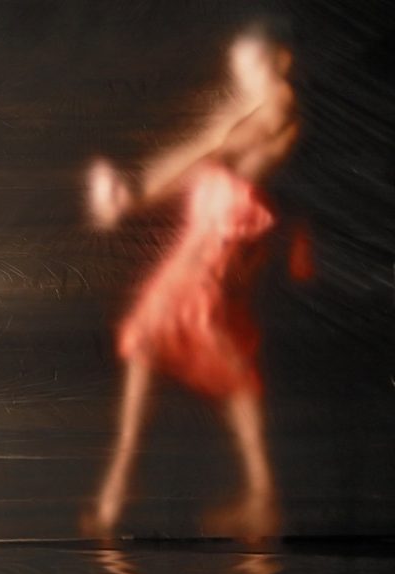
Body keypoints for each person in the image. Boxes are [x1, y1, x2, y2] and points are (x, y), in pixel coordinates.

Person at [84, 22, 306, 541]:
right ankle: (254, 495)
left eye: (255, 65)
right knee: (196, 348)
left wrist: (137, 191)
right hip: (212, 230)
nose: (246, 76)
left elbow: (214, 148)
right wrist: (137, 194)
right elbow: (203, 157)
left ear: (281, 60)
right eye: (240, 67)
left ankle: (122, 488)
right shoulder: (255, 108)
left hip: (222, 234)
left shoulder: (277, 103)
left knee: (169, 341)